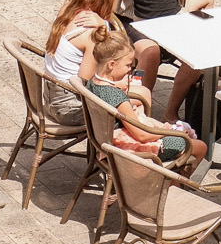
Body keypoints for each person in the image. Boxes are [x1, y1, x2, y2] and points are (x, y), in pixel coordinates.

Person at [84, 27, 205, 168]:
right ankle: (170, 183)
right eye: (128, 65)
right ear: (111, 65)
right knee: (199, 147)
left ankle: (171, 181)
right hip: (126, 149)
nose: (130, 69)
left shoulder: (93, 82)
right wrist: (168, 130)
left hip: (105, 140)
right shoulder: (116, 97)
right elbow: (142, 135)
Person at [42, 0, 124, 125]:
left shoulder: (68, 6)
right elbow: (86, 84)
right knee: (132, 104)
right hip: (69, 107)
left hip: (49, 96)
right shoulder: (93, 35)